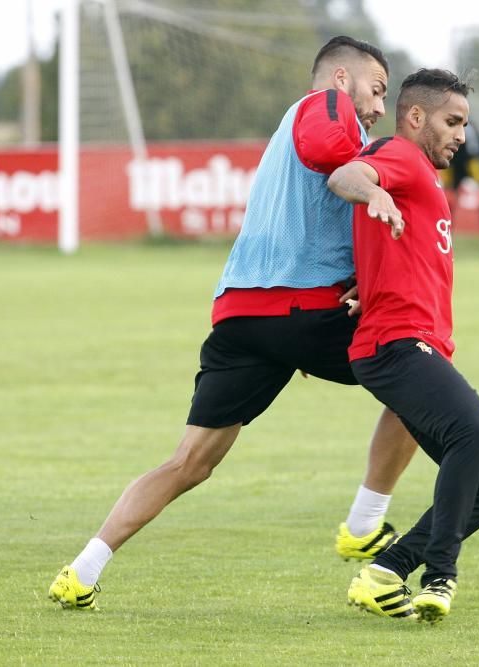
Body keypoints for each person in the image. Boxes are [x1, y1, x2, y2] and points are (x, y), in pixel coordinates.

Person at [48, 36, 419, 611]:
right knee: (422, 373)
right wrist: (370, 182)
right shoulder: (326, 107)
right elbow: (329, 155)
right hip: (303, 309)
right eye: (376, 89)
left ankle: (82, 569)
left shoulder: (300, 131)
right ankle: (365, 525)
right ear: (341, 79)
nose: (376, 105)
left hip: (242, 315)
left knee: (189, 462)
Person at [327, 68, 479, 624]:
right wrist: (374, 195)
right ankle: (440, 574)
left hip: (417, 345)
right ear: (415, 118)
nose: (460, 134)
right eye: (451, 121)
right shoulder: (401, 157)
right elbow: (346, 175)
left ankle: (386, 571)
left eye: (465, 124)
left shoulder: (428, 181)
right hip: (396, 344)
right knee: (473, 429)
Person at [441, 119, 479, 264]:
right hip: (454, 163)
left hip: (475, 161)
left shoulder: (469, 132)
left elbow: (478, 158)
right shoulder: (441, 129)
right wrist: (448, 187)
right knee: (446, 204)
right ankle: (443, 248)